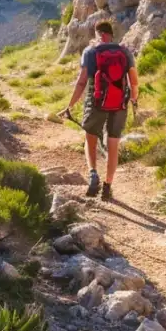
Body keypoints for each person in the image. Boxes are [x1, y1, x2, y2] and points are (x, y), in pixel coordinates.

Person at [62, 21, 138, 200]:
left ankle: (93, 174)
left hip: (96, 102)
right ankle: (107, 186)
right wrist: (133, 100)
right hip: (119, 104)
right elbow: (134, 82)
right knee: (113, 146)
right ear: (111, 34)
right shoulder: (124, 51)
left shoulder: (90, 51)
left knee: (90, 139)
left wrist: (70, 105)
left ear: (98, 34)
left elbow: (82, 82)